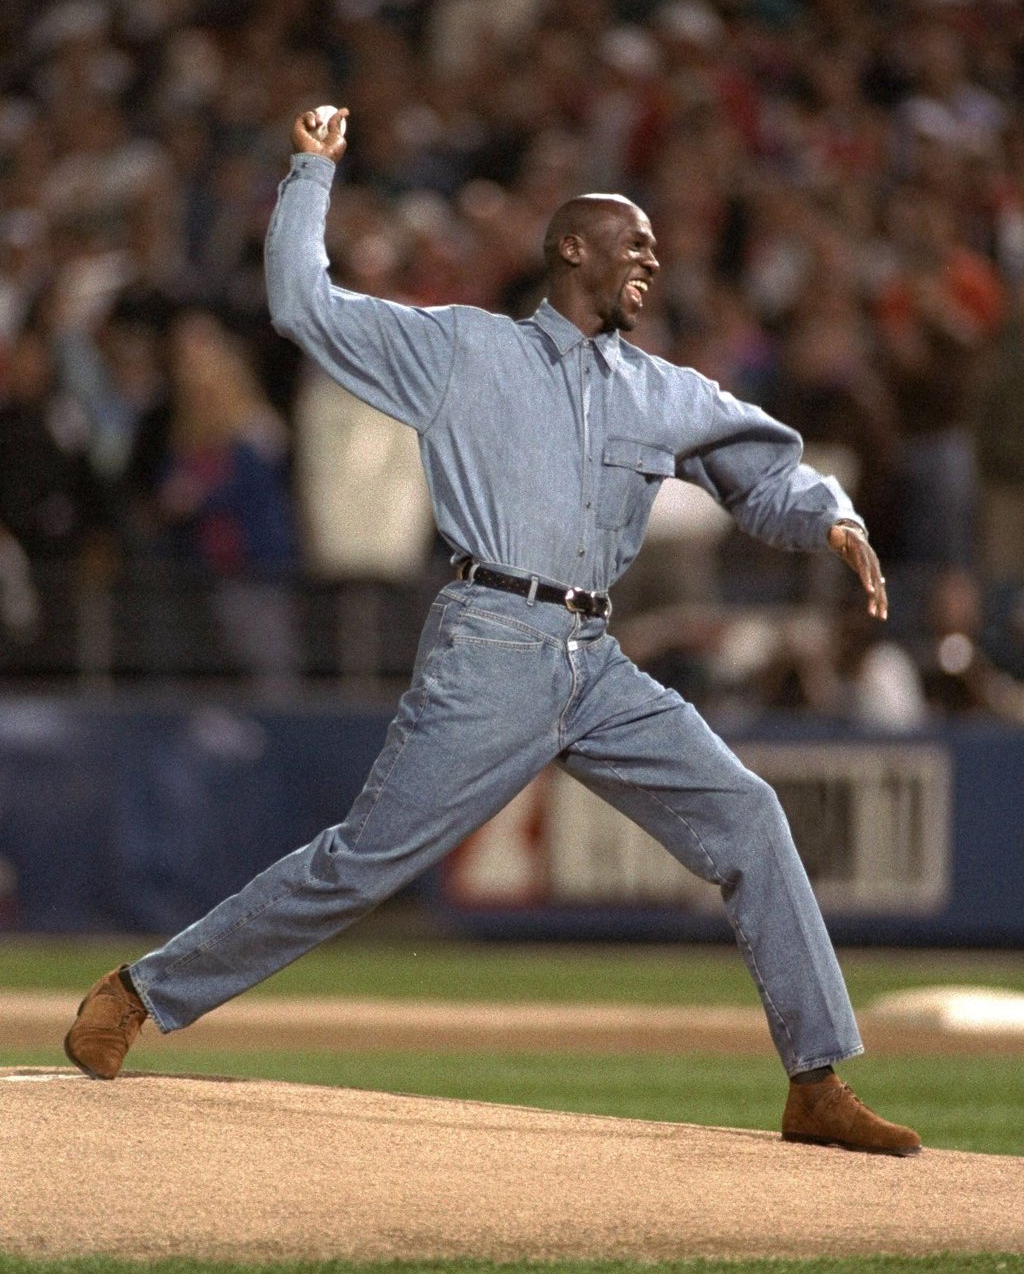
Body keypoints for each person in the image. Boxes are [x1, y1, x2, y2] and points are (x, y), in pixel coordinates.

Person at [65, 106, 920, 1157]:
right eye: (633, 242)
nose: (653, 257)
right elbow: (301, 303)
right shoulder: (463, 348)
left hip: (598, 661)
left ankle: (815, 1079)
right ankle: (142, 991)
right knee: (359, 862)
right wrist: (310, 172)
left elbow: (767, 473)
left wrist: (831, 513)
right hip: (492, 641)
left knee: (747, 815)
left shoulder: (661, 389)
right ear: (570, 248)